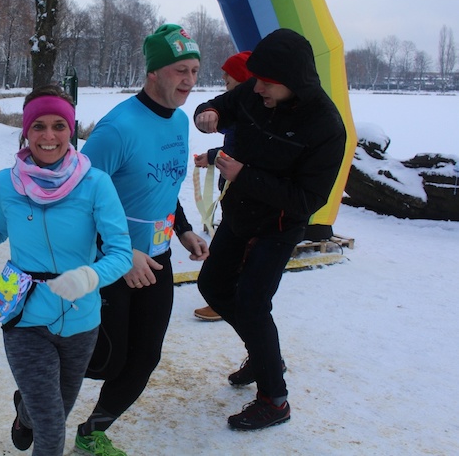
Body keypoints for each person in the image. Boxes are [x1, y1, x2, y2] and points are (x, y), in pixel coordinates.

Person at [0, 85, 132, 456]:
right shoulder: (6, 181)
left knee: (54, 409)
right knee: (51, 425)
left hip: (81, 319)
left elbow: (121, 252)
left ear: (71, 130)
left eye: (59, 126)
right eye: (38, 126)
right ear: (26, 131)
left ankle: (24, 412)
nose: (49, 136)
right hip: (24, 315)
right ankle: (32, 412)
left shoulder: (95, 183)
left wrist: (89, 276)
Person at [194, 28, 346, 430]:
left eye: (266, 82)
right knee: (212, 286)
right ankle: (266, 357)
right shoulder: (255, 91)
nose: (256, 87)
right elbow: (222, 105)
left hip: (278, 225)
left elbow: (308, 200)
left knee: (252, 302)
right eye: (256, 79)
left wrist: (244, 175)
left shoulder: (326, 126)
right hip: (239, 214)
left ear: (292, 81)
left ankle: (274, 400)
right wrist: (209, 113)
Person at [75, 24, 210, 455]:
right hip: (111, 261)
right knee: (104, 360)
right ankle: (32, 400)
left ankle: (92, 432)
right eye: (180, 71)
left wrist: (183, 228)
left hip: (157, 258)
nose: (189, 81)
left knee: (145, 357)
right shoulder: (117, 129)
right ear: (153, 72)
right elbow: (77, 200)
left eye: (194, 71)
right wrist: (123, 252)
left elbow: (164, 187)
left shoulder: (180, 122)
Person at [192, 50, 251, 322]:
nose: (224, 77)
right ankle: (225, 297)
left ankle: (227, 301)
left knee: (237, 253)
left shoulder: (251, 114)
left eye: (230, 73)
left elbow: (244, 151)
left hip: (247, 197)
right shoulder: (236, 107)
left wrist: (218, 157)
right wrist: (213, 155)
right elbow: (234, 145)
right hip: (233, 194)